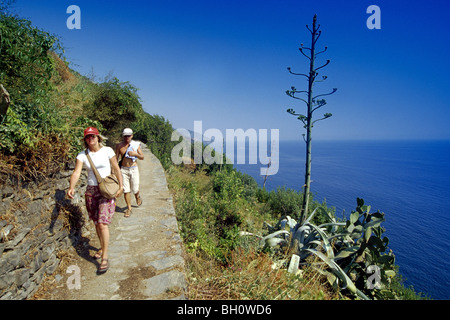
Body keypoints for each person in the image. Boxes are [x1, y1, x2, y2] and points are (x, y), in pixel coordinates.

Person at [67, 127, 123, 274]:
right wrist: (71, 186)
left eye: (93, 136)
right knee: (97, 223)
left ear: (98, 137)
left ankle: (104, 257)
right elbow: (77, 172)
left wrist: (121, 186)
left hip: (106, 190)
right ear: (85, 140)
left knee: (103, 223)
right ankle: (102, 247)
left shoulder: (108, 151)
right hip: (91, 191)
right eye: (88, 137)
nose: (91, 139)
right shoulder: (82, 155)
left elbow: (116, 168)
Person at [115, 128, 144, 218]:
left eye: (129, 135)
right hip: (124, 170)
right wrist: (114, 171)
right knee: (126, 190)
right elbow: (115, 159)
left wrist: (135, 154)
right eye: (125, 136)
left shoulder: (135, 145)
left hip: (134, 169)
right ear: (123, 136)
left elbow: (142, 157)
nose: (127, 137)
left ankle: (137, 196)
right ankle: (129, 208)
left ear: (132, 136)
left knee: (135, 188)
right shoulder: (119, 146)